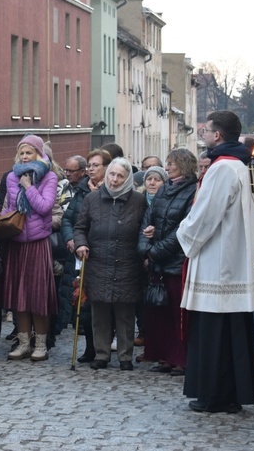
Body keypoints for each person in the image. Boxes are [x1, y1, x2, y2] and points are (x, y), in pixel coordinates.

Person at [177, 110, 254, 413]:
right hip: (231, 259)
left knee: (215, 333)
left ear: (218, 136)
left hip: (219, 263)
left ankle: (214, 395)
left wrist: (182, 233)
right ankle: (231, 394)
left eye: (207, 129)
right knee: (232, 332)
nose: (202, 131)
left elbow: (206, 216)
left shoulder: (223, 168)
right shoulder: (237, 163)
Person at [74, 157, 147, 371]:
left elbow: (144, 227)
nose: (114, 180)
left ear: (127, 179)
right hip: (98, 262)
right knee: (100, 311)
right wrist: (81, 244)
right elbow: (80, 227)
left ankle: (125, 356)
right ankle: (101, 354)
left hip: (128, 262)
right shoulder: (92, 199)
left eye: (120, 176)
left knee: (125, 312)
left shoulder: (138, 200)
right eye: (112, 175)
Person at [138, 149, 198, 376]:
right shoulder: (164, 189)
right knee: (158, 313)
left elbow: (183, 229)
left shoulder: (192, 191)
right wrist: (146, 247)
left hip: (175, 261)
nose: (168, 167)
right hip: (157, 259)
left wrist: (156, 251)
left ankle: (180, 358)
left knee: (177, 314)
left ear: (182, 164)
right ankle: (163, 356)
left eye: (171, 163)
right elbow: (148, 219)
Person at [1, 135, 58, 362]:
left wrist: (29, 187)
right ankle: (23, 343)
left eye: (29, 153)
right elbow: (12, 208)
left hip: (37, 243)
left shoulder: (49, 176)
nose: (25, 157)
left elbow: (45, 207)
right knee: (19, 297)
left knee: (37, 296)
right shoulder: (11, 177)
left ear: (39, 154)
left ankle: (41, 344)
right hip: (17, 242)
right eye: (22, 153)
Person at [60, 149, 111, 362]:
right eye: (89, 165)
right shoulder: (81, 191)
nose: (90, 169)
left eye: (95, 165)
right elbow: (67, 220)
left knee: (103, 306)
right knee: (84, 304)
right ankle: (90, 348)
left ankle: (104, 349)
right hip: (82, 254)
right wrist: (71, 239)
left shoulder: (113, 190)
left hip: (106, 255)